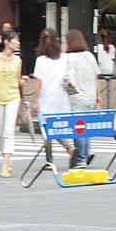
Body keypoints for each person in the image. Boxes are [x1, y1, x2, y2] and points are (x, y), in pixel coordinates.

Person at [0, 28, 26, 177]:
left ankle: (5, 164)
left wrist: (23, 82)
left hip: (13, 97)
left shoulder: (18, 60)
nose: (18, 43)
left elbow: (17, 79)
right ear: (7, 42)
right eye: (15, 40)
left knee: (8, 131)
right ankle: (7, 159)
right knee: (0, 133)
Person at [33, 28, 76, 166]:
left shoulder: (40, 60)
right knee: (57, 127)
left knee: (47, 129)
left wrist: (35, 101)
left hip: (46, 98)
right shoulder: (64, 57)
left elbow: (38, 83)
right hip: (61, 98)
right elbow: (70, 75)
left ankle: (53, 158)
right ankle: (67, 149)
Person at [65, 29, 101, 168]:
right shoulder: (89, 56)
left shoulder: (68, 58)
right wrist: (98, 95)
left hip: (77, 97)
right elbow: (96, 76)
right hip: (90, 95)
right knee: (85, 124)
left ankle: (81, 158)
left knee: (78, 127)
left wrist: (71, 93)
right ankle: (88, 150)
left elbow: (66, 79)